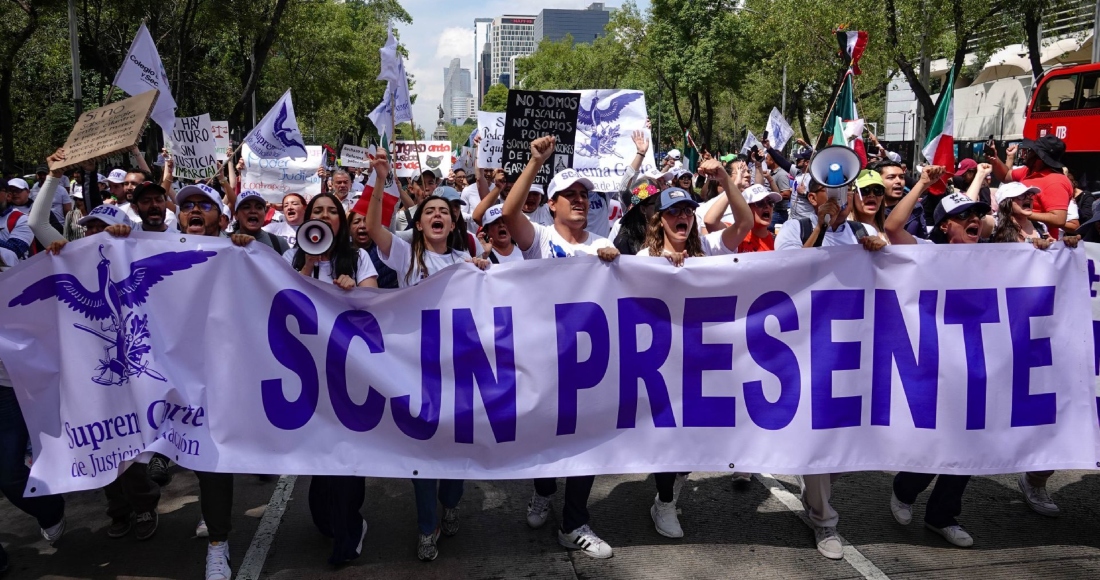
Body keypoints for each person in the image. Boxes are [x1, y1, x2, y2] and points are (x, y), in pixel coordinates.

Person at [502, 135, 620, 559]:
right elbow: (509, 212)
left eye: (583, 195)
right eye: (568, 195)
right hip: (543, 361)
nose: (579, 200)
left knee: (587, 438)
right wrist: (534, 162)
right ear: (551, 204)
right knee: (545, 436)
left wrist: (615, 263)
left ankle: (573, 522)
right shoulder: (539, 238)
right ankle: (543, 490)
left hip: (590, 364)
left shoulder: (601, 245)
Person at [365, 153, 487, 561]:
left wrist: (484, 270)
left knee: (455, 452)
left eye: (444, 212)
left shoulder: (464, 261)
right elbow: (371, 228)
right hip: (416, 372)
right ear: (418, 223)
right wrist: (381, 179)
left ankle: (450, 503)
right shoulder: (405, 255)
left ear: (454, 225)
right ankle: (425, 526)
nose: (437, 215)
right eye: (429, 211)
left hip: (460, 371)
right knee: (422, 455)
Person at [987, 135, 1072, 239]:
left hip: (1040, 244)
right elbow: (1005, 175)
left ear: (1039, 158)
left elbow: (1059, 219)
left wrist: (1023, 213)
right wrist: (995, 159)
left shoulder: (1056, 182)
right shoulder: (1028, 171)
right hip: (1014, 236)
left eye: (1031, 151)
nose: (1027, 153)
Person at [875, 160, 926, 239]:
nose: (898, 181)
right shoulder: (871, 210)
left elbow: (923, 240)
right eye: (891, 177)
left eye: (901, 177)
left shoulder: (916, 208)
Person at [348, 210, 398, 289]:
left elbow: (392, 213)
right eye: (356, 222)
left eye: (367, 221)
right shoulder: (343, 256)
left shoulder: (386, 247)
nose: (362, 225)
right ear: (349, 229)